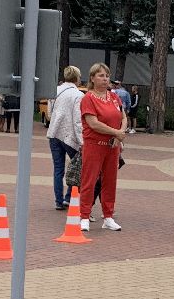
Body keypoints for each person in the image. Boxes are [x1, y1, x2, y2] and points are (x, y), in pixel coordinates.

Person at [79, 63, 126, 232]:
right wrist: (116, 133)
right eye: (100, 75)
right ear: (92, 78)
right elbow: (93, 124)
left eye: (106, 75)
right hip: (94, 145)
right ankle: (84, 215)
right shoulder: (88, 98)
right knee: (89, 180)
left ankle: (108, 216)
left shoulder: (114, 97)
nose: (105, 79)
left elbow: (122, 116)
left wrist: (120, 133)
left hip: (112, 146)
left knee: (110, 181)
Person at [46, 66, 83, 210]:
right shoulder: (78, 95)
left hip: (54, 133)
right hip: (69, 136)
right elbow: (78, 121)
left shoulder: (54, 91)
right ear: (76, 77)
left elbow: (49, 113)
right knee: (77, 167)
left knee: (58, 169)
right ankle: (69, 197)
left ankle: (58, 200)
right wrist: (82, 141)